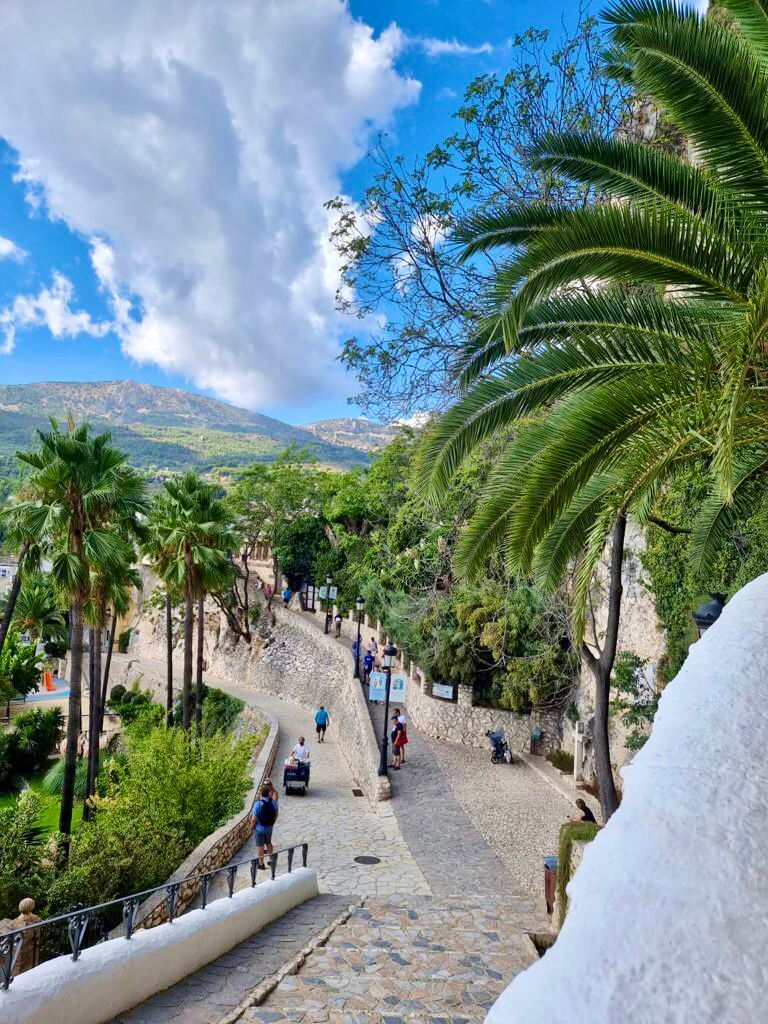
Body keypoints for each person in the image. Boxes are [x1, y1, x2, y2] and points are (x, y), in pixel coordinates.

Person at [251, 782, 279, 869]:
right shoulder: (273, 803)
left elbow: (254, 819)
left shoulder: (258, 804)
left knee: (260, 846)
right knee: (268, 843)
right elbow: (276, 814)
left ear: (261, 793)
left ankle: (261, 864)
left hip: (259, 829)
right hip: (269, 828)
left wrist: (252, 826)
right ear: (269, 792)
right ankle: (271, 860)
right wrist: (272, 823)